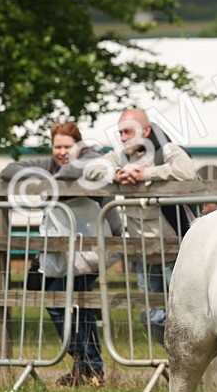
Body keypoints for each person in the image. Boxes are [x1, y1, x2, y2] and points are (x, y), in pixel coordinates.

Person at [1, 122, 117, 386]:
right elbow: (10, 169)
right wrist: (45, 178)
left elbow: (81, 167)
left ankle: (90, 367)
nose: (62, 152)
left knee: (81, 306)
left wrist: (50, 180)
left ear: (78, 145)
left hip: (90, 249)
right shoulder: (49, 164)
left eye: (67, 146)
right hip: (62, 252)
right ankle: (85, 364)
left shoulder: (90, 158)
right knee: (58, 302)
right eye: (57, 146)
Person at [83, 107, 196, 347]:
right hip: (143, 254)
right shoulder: (120, 156)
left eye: (128, 132)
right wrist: (118, 174)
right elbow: (90, 170)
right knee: (151, 314)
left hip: (178, 252)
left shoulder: (167, 150)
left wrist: (146, 172)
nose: (122, 138)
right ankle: (171, 361)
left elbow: (187, 171)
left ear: (145, 131)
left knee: (186, 313)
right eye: (120, 133)